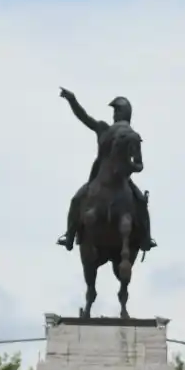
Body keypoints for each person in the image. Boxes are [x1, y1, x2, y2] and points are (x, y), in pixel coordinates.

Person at [57, 87, 156, 251]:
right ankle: (70, 235)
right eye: (114, 111)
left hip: (119, 180)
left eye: (117, 111)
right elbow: (84, 117)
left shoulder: (129, 136)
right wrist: (72, 100)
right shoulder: (106, 129)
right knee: (76, 200)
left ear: (124, 113)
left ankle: (145, 238)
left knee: (140, 203)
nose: (114, 114)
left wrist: (128, 166)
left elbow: (139, 164)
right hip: (103, 179)